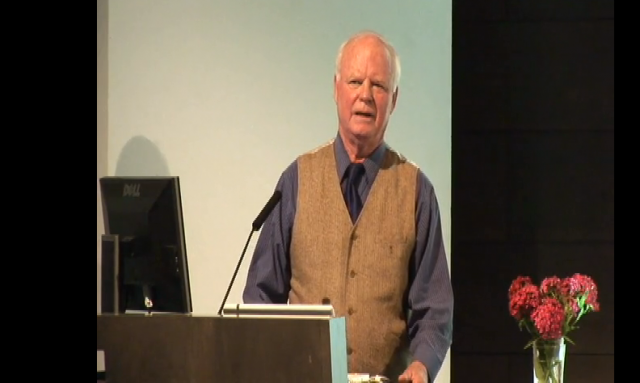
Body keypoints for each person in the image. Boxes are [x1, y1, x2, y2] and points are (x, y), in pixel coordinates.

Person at [242, 30, 453, 383]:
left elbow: (435, 308)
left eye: (379, 86)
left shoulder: (417, 190)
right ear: (336, 88)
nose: (366, 96)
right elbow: (261, 295)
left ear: (394, 100)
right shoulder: (296, 180)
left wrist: (422, 365)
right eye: (356, 81)